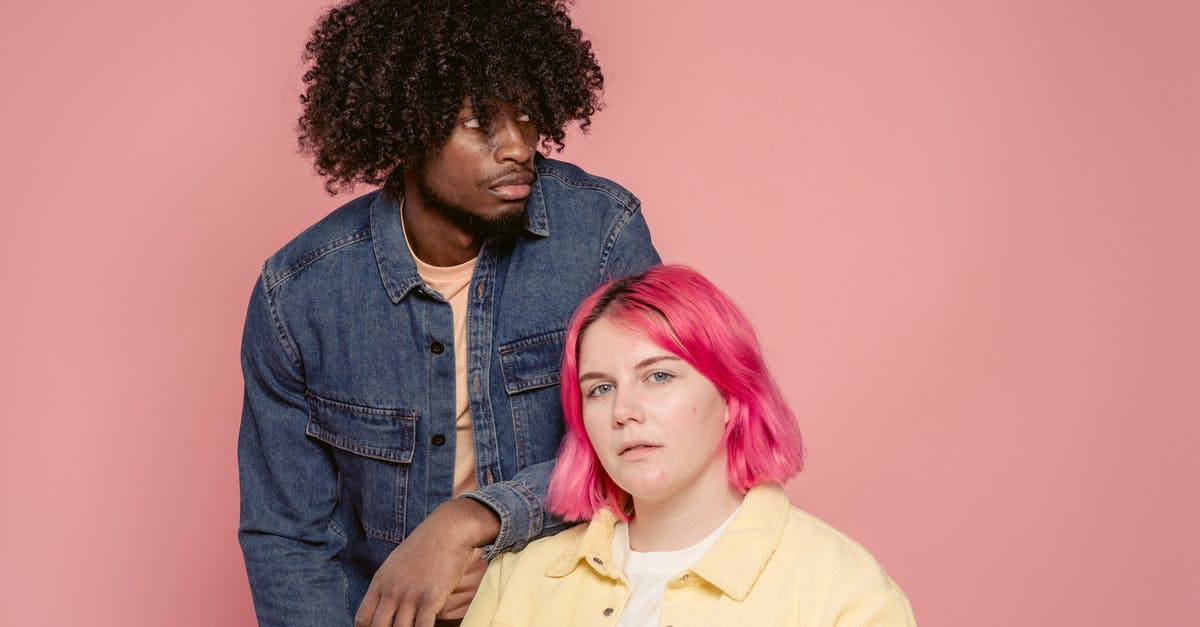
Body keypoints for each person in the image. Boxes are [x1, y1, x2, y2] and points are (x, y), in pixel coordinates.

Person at [236, 1, 659, 625]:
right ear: (404, 128)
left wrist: (474, 525)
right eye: (477, 123)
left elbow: (650, 440)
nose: (517, 146)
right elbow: (289, 537)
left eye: (526, 115)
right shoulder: (299, 296)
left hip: (571, 600)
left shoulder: (602, 237)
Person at [462, 265, 916, 626]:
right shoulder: (517, 577)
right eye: (600, 388)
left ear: (731, 397)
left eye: (658, 376)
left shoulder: (846, 592)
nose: (624, 410)